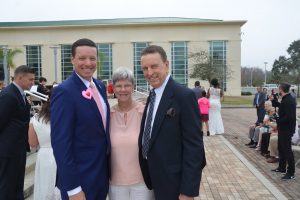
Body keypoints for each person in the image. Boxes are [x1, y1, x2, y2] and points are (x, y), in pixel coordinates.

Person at [138, 45, 206, 200]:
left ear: (166, 65)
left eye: (154, 66)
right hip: (154, 179)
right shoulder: (153, 95)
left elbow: (194, 146)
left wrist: (188, 191)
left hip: (174, 184)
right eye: (145, 68)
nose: (149, 73)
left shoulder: (183, 96)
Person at [50, 38, 110, 200]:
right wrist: (73, 189)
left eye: (92, 58)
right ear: (72, 60)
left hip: (100, 178)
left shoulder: (99, 86)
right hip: (79, 182)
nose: (88, 63)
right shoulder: (64, 92)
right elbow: (61, 144)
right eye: (82, 58)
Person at [109, 67, 154, 200]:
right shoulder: (108, 115)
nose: (123, 90)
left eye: (127, 85)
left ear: (133, 87)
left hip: (142, 182)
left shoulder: (145, 112)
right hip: (115, 183)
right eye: (119, 86)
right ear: (113, 88)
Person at [0, 65, 35, 199]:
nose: (33, 83)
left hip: (17, 150)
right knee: (7, 188)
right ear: (20, 78)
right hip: (8, 151)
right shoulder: (9, 95)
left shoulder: (19, 93)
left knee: (16, 186)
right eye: (30, 80)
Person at [28, 90, 61, 200]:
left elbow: (32, 143)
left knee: (44, 187)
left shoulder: (36, 118)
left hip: (44, 156)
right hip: (62, 154)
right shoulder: (65, 116)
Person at [272, 83, 296, 180]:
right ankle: (282, 168)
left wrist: (277, 119)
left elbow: (289, 117)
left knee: (287, 150)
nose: (278, 90)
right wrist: (274, 100)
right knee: (281, 148)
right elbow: (281, 106)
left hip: (287, 129)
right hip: (283, 128)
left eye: (279, 89)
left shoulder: (289, 101)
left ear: (281, 89)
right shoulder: (286, 99)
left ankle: (291, 172)